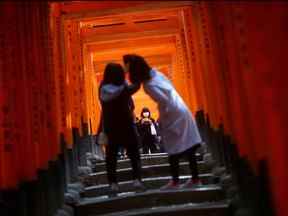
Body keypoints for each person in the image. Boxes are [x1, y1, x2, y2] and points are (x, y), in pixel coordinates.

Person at [123, 54, 203, 190]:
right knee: (188, 147)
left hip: (173, 114)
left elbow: (164, 101)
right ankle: (194, 179)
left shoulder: (149, 85)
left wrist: (162, 118)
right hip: (182, 110)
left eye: (128, 69)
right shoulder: (156, 75)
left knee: (173, 149)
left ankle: (175, 182)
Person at [98, 62, 144, 192]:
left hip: (110, 126)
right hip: (126, 125)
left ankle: (113, 184)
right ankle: (136, 180)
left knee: (111, 156)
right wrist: (137, 76)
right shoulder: (123, 88)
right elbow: (134, 88)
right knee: (134, 153)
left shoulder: (102, 87)